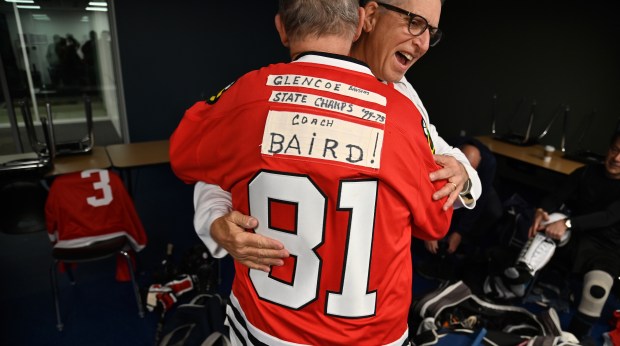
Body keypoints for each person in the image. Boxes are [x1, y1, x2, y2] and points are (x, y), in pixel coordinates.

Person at [169, 0, 452, 344]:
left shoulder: (246, 94)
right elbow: (436, 221)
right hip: (373, 335)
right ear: (362, 20)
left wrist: (215, 215)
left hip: (264, 327)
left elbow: (184, 159)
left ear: (281, 28)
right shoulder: (403, 116)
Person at [194, 0, 482, 273]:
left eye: (431, 32)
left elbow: (446, 155)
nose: (424, 44)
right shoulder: (293, 85)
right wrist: (215, 221)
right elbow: (216, 165)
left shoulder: (405, 96)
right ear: (368, 17)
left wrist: (463, 173)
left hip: (362, 300)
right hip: (276, 292)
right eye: (414, 23)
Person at [486, 132, 620, 343]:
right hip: (576, 238)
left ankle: (574, 338)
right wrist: (541, 211)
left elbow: (608, 216)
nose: (617, 158)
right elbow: (557, 195)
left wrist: (567, 223)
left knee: (596, 291)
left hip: (607, 249)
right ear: (609, 148)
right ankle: (521, 277)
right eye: (615, 150)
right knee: (552, 217)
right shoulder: (587, 172)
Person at [416, 136, 502, 281]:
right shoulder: (444, 150)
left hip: (479, 189)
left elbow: (476, 202)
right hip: (445, 177)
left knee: (493, 211)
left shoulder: (488, 164)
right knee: (442, 197)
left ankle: (463, 250)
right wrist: (429, 230)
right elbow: (430, 192)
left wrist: (460, 233)